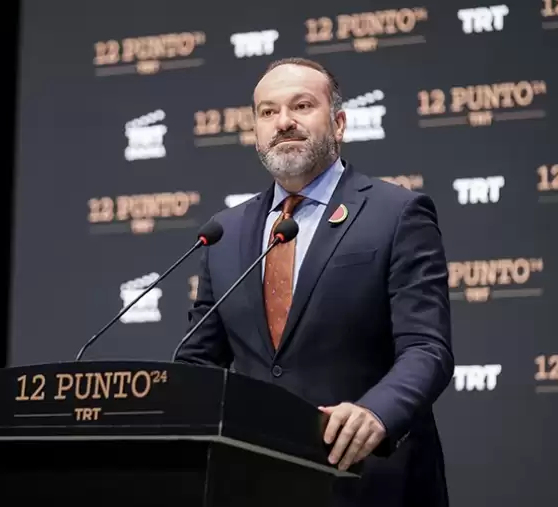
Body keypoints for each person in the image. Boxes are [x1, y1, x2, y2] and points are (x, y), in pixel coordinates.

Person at [174, 57, 454, 507]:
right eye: (268, 112)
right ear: (256, 132)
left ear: (338, 124)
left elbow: (427, 348)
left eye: (302, 106)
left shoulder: (397, 213)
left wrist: (376, 412)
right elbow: (198, 361)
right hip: (254, 483)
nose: (283, 122)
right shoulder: (224, 231)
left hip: (369, 478)